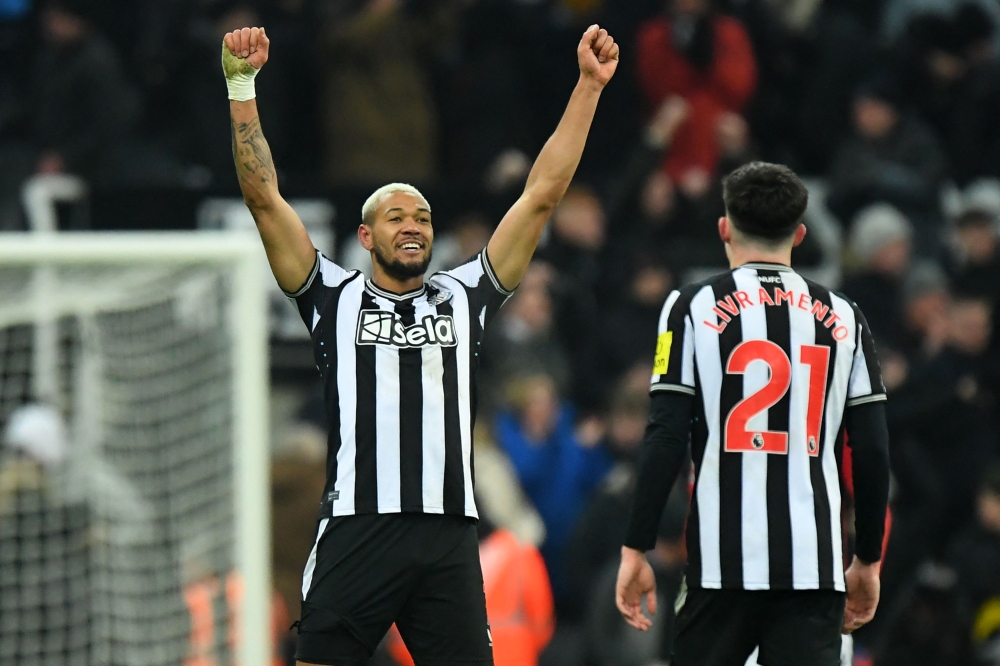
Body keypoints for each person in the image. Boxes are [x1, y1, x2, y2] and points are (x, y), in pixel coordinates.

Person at [220, 22, 620, 666]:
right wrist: (242, 86)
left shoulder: (465, 295)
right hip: (358, 526)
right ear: (366, 236)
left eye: (424, 218)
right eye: (397, 217)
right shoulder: (331, 295)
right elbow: (263, 198)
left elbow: (542, 195)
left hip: (447, 534)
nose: (413, 226)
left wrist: (588, 88)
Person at [615, 162, 892, 665]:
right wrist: (867, 559)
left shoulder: (689, 307)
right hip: (813, 568)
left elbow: (665, 436)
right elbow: (872, 448)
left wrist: (637, 546)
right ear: (800, 234)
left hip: (721, 566)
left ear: (724, 226)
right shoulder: (847, 317)